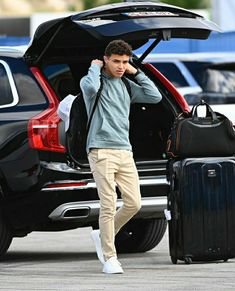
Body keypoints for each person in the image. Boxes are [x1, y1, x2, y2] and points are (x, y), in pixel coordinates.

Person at [80, 39, 162, 274]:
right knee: (108, 205)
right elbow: (89, 89)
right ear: (106, 59)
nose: (120, 66)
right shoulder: (93, 80)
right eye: (116, 61)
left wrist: (135, 71)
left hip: (124, 150)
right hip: (100, 150)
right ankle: (109, 257)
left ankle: (104, 233)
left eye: (124, 62)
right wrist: (94, 67)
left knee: (134, 203)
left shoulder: (126, 85)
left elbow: (154, 96)